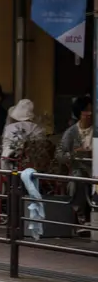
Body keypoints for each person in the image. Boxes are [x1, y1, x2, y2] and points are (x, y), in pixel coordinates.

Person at [56, 95, 92, 228]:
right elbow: (59, 155)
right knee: (77, 180)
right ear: (79, 113)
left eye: (91, 110)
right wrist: (74, 153)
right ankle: (80, 216)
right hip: (79, 169)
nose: (89, 114)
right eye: (86, 111)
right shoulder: (71, 133)